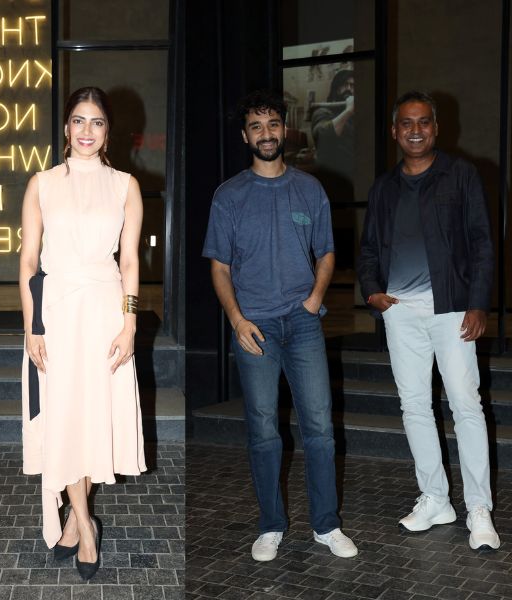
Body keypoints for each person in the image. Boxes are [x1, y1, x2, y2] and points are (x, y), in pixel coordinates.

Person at [203, 89, 358, 562]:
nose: (266, 134)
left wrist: (314, 300)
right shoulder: (229, 195)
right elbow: (219, 267)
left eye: (272, 124)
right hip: (254, 326)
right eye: (256, 126)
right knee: (264, 429)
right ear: (245, 136)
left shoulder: (309, 189)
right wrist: (236, 319)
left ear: (284, 130)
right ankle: (271, 525)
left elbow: (326, 252)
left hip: (303, 322)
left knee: (320, 428)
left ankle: (326, 525)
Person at [357, 91, 499, 551]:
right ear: (394, 131)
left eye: (423, 122)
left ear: (436, 128)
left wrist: (478, 304)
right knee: (415, 406)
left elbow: (482, 242)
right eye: (406, 123)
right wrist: (372, 291)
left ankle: (479, 508)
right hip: (400, 311)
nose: (415, 130)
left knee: (465, 404)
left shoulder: (460, 175)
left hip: (452, 307)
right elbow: (368, 249)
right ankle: (436, 499)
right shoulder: (384, 187)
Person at [19, 87, 146, 580]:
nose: (86, 130)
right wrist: (32, 326)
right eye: (78, 120)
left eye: (96, 122)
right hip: (55, 313)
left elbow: (131, 262)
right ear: (66, 128)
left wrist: (130, 322)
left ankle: (76, 517)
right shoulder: (42, 184)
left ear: (108, 131)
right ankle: (86, 527)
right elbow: (28, 261)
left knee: (96, 419)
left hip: (105, 312)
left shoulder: (125, 186)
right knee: (64, 418)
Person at [311, 68, 355, 202]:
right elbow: (322, 136)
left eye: (353, 86)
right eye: (345, 84)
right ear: (336, 88)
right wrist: (348, 111)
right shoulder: (322, 112)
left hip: (352, 180)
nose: (349, 89)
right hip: (329, 181)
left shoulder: (356, 117)